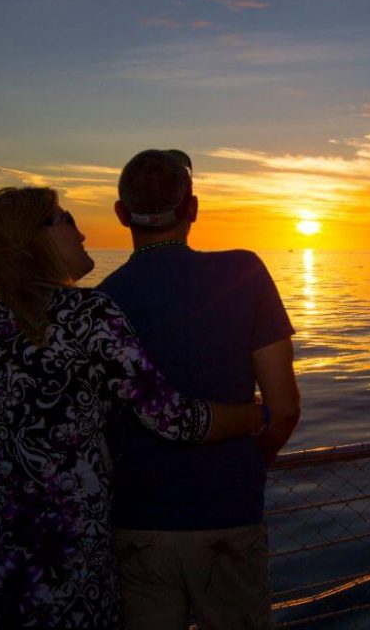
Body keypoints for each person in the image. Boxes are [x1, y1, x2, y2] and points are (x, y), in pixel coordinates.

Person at [0, 187, 266, 630]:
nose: (83, 232)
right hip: (57, 565)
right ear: (35, 238)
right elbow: (173, 419)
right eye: (66, 219)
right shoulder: (88, 314)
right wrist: (256, 414)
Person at [98, 149, 300, 630]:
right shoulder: (243, 273)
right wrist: (252, 459)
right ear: (192, 208)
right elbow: (284, 409)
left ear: (122, 214)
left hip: (135, 521)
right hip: (226, 513)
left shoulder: (98, 302)